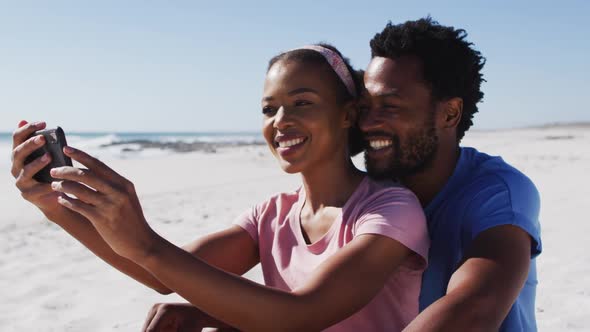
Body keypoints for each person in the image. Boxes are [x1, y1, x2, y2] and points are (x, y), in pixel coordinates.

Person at [11, 44, 429, 331]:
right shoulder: (271, 215)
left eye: (302, 102)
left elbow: (301, 316)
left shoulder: (391, 210)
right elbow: (157, 273)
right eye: (269, 108)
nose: (280, 120)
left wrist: (144, 242)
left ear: (347, 115)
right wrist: (54, 207)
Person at [360, 18, 542, 331]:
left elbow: (475, 306)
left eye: (389, 107)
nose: (367, 123)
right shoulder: (369, 195)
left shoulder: (499, 191)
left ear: (450, 113)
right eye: (364, 107)